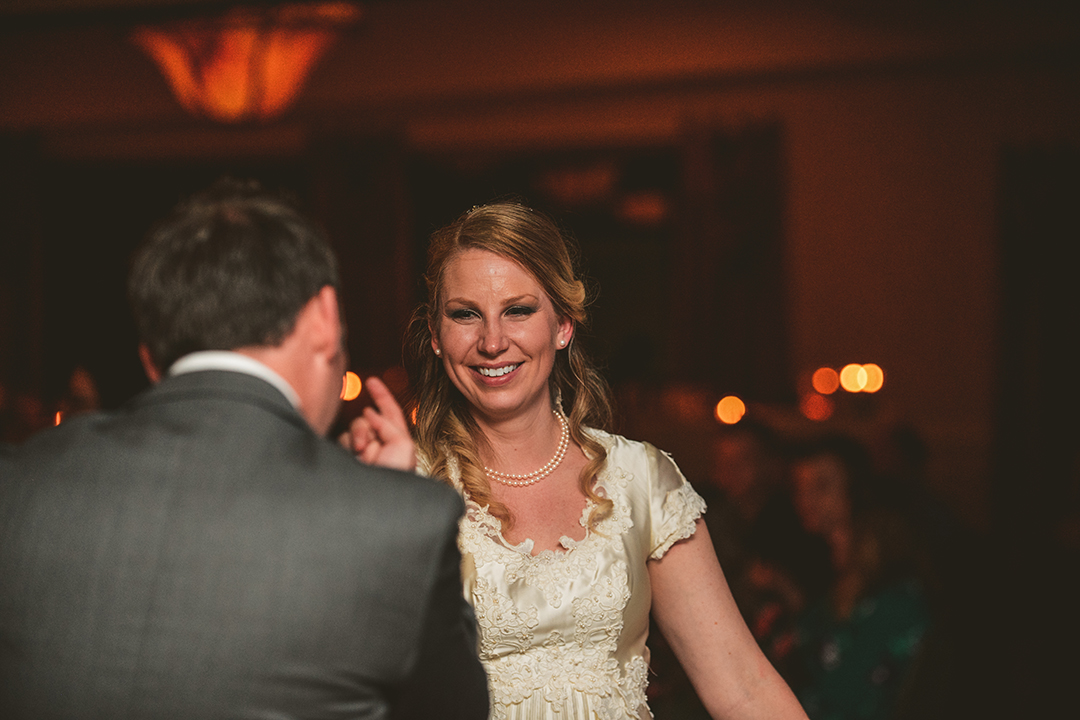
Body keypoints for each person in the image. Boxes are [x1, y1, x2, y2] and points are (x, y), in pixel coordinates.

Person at [0, 180, 488, 720]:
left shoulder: (17, 485)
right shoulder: (401, 520)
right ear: (325, 318)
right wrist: (389, 498)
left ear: (150, 358)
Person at [390, 202, 807, 720]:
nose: (492, 342)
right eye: (465, 314)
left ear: (562, 325)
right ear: (435, 334)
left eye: (518, 310)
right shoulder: (401, 485)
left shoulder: (642, 482)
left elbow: (744, 688)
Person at [788, 435, 930, 720]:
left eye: (822, 486)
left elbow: (843, 698)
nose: (806, 499)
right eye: (799, 488)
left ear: (859, 490)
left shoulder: (892, 594)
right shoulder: (821, 568)